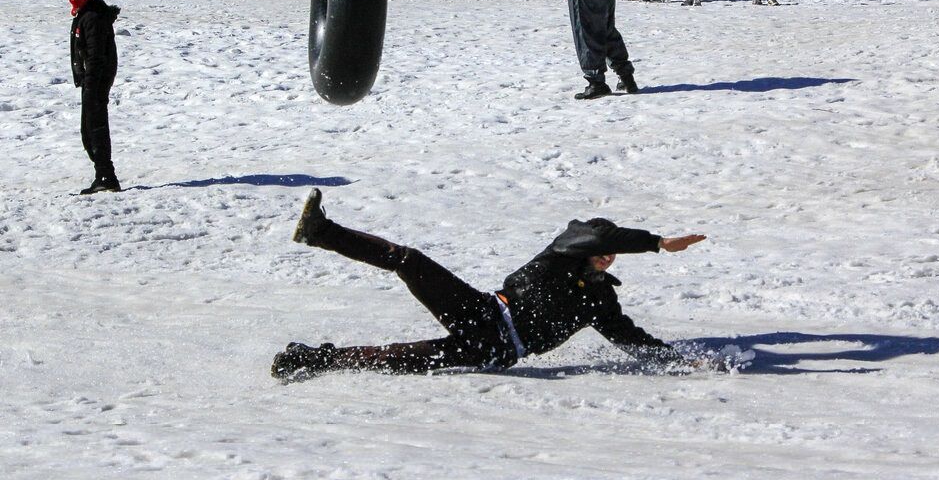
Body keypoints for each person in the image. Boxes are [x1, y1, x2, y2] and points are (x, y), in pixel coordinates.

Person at [271, 189, 707, 380]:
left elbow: (628, 336)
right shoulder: (559, 257)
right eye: (604, 249)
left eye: (611, 254)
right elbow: (592, 236)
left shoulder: (601, 300)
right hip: (482, 310)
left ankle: (313, 360)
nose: (607, 256)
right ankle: (320, 233)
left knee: (400, 358)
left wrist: (677, 361)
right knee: (410, 261)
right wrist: (656, 242)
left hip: (495, 351)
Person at [65, 0, 121, 194]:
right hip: (93, 78)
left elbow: (96, 55)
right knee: (89, 129)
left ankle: (106, 176)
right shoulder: (86, 13)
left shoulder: (93, 18)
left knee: (93, 128)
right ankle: (104, 174)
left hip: (96, 78)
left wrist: (91, 83)